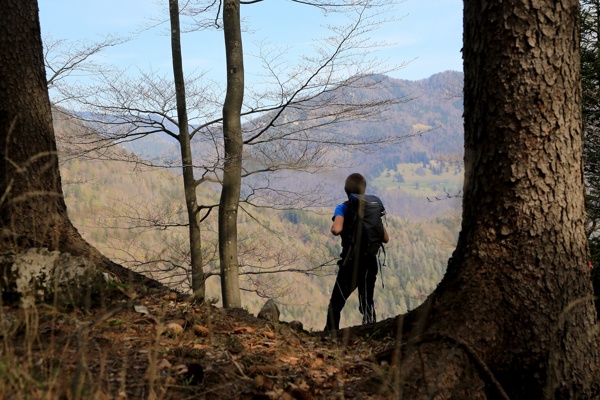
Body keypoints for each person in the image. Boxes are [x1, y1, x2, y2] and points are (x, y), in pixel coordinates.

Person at [324, 173, 389, 332]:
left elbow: (336, 229)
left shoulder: (343, 207)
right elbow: (385, 238)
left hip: (351, 263)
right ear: (363, 189)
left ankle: (330, 336)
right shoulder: (372, 208)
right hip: (370, 263)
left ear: (346, 190)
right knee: (367, 302)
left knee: (336, 303)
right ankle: (371, 333)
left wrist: (336, 224)